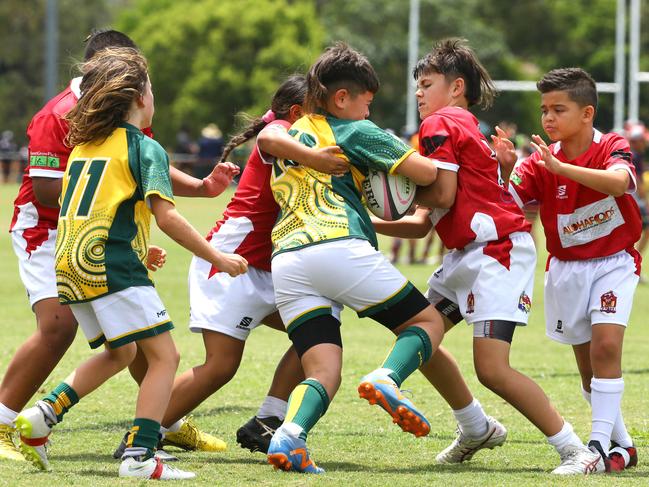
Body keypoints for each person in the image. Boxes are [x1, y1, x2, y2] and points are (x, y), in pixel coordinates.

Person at [14, 47, 247, 480]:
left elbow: (100, 208)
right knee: (165, 358)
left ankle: (42, 417)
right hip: (109, 261)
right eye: (152, 87)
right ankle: (140, 457)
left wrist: (139, 252)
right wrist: (216, 256)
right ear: (140, 98)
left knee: (121, 352)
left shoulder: (86, 144)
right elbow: (168, 216)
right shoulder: (145, 147)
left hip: (69, 261)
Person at [375, 39, 605, 474]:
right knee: (419, 333)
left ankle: (577, 450)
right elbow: (425, 221)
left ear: (456, 86)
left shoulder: (442, 123)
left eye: (427, 84)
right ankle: (475, 426)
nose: (419, 94)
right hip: (468, 252)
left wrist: (394, 184)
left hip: (495, 253)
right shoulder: (467, 128)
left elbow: (438, 194)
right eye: (417, 86)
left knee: (492, 369)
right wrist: (366, 223)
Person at [111, 74, 348, 458]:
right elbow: (273, 136)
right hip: (229, 265)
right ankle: (139, 439)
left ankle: (267, 421)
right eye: (322, 110)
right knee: (221, 366)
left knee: (320, 332)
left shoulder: (306, 137)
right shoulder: (284, 131)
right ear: (298, 111)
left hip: (267, 269)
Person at [263, 42, 457, 474]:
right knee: (426, 322)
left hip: (287, 259)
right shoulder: (355, 132)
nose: (368, 114)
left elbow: (265, 138)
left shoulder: (293, 133)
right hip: (336, 245)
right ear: (341, 98)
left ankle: (290, 435)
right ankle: (388, 377)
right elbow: (427, 174)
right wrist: (391, 163)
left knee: (322, 367)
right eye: (365, 104)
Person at [502, 67, 641, 472]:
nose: (547, 119)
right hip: (566, 269)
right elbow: (505, 200)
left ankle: (595, 448)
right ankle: (624, 446)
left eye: (558, 109)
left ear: (587, 113)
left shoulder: (611, 145)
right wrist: (505, 166)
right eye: (544, 110)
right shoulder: (538, 160)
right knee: (587, 370)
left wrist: (561, 170)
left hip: (615, 262)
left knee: (607, 348)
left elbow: (620, 183)